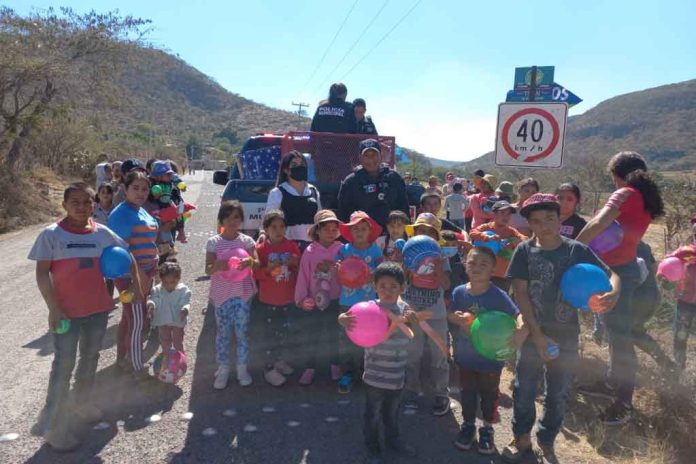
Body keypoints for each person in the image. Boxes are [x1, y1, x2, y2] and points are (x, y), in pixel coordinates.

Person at [503, 193, 620, 463]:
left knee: (557, 392)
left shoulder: (575, 249)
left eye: (550, 219)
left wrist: (613, 292)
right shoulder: (524, 251)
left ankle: (546, 439)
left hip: (567, 335)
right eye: (537, 221)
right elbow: (521, 294)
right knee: (524, 389)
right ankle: (521, 436)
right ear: (529, 224)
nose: (544, 226)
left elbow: (612, 273)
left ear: (560, 219)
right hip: (534, 333)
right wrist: (538, 335)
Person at [28, 182, 132, 451]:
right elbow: (42, 274)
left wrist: (133, 288)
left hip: (98, 310)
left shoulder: (103, 233)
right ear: (64, 205)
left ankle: (82, 403)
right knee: (63, 367)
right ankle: (53, 427)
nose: (82, 207)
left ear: (94, 205)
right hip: (66, 314)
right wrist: (53, 307)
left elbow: (123, 258)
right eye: (75, 202)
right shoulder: (51, 235)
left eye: (87, 202)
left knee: (90, 359)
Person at [576, 152, 664, 425]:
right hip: (621, 269)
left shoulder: (625, 193)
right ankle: (614, 385)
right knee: (617, 335)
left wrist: (572, 248)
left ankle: (624, 403)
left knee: (621, 338)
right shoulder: (644, 197)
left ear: (617, 174)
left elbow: (598, 223)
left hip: (619, 274)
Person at [449, 246, 527, 456]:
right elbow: (450, 315)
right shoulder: (459, 292)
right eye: (472, 262)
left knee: (489, 395)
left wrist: (520, 328)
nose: (477, 267)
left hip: (490, 359)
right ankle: (467, 426)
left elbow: (517, 313)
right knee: (467, 393)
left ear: (493, 270)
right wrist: (456, 317)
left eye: (484, 264)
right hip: (465, 356)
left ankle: (487, 429)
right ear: (465, 265)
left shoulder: (498, 295)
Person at [338, 262, 417, 463]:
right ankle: (373, 447)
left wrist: (413, 320)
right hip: (374, 375)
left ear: (402, 288)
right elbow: (347, 317)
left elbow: (412, 330)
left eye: (393, 287)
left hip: (397, 374)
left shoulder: (405, 308)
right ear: (375, 286)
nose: (388, 290)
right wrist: (342, 319)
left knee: (391, 413)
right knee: (372, 414)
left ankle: (393, 440)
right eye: (383, 286)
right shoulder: (369, 307)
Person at [107, 171, 159, 378]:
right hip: (131, 276)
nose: (140, 193)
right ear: (125, 189)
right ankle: (136, 367)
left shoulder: (141, 210)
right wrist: (141, 278)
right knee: (139, 321)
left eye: (144, 189)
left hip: (146, 271)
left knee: (129, 318)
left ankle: (123, 359)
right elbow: (122, 250)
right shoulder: (122, 213)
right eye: (135, 188)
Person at [401, 213, 452, 416]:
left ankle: (441, 394)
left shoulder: (442, 256)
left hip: (436, 314)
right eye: (420, 230)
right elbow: (401, 283)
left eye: (429, 232)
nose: (423, 234)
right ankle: (411, 392)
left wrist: (438, 269)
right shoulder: (408, 253)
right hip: (412, 314)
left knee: (439, 356)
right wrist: (404, 267)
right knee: (412, 355)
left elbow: (447, 285)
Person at [206, 200, 259, 389]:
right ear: (221, 219)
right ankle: (223, 368)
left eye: (236, 217)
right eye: (228, 217)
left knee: (242, 332)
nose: (232, 221)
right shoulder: (214, 242)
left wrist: (250, 262)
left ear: (242, 220)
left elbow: (257, 262)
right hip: (221, 296)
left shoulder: (246, 241)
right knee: (223, 333)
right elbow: (208, 269)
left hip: (243, 295)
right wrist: (217, 266)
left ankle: (242, 368)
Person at [335, 211, 384, 393]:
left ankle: (368, 373)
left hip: (370, 304)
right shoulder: (344, 249)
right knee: (347, 340)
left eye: (363, 229)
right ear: (350, 231)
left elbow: (381, 270)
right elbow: (336, 268)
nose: (359, 232)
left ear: (369, 231)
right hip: (348, 302)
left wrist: (373, 274)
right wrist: (338, 268)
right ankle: (347, 374)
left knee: (369, 340)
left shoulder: (375, 250)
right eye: (355, 229)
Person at [295, 210, 343, 385]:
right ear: (317, 231)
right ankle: (309, 367)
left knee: (333, 334)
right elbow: (303, 276)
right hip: (314, 300)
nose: (330, 232)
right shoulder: (309, 251)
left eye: (334, 229)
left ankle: (335, 365)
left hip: (336, 299)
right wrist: (301, 299)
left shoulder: (341, 249)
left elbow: (348, 274)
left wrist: (341, 271)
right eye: (326, 229)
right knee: (312, 335)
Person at [254, 210, 301, 386]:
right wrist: (267, 269)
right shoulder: (261, 249)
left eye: (282, 227)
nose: (278, 230)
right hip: (268, 300)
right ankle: (268, 367)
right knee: (269, 335)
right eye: (274, 227)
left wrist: (293, 262)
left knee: (284, 333)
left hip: (287, 298)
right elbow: (255, 273)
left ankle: (279, 361)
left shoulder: (291, 246)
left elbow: (299, 267)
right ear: (266, 229)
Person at [337, 139, 409, 228]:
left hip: (391, 234)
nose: (370, 159)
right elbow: (343, 213)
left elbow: (404, 208)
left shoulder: (394, 178)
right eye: (366, 156)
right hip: (362, 236)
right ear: (360, 158)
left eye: (374, 155)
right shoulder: (350, 182)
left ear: (380, 156)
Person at [263, 151, 321, 251]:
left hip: (312, 247)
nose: (299, 167)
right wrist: (263, 234)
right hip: (288, 247)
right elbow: (269, 220)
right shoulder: (277, 193)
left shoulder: (313, 191)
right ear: (286, 170)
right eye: (294, 165)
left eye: (302, 164)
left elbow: (320, 218)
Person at [660, 222, 696, 374]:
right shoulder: (687, 252)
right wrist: (665, 279)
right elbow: (665, 266)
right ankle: (679, 371)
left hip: (686, 301)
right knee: (680, 336)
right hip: (686, 302)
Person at [469, 201, 527, 291]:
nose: (506, 217)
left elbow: (525, 239)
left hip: (501, 274)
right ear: (494, 214)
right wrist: (486, 237)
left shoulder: (511, 231)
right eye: (502, 213)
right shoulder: (486, 227)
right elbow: (472, 233)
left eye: (508, 214)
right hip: (483, 272)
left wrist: (514, 242)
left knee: (499, 301)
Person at [147, 260, 191, 354]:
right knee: (164, 338)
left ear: (178, 279)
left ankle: (179, 355)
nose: (169, 285)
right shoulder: (157, 290)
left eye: (172, 282)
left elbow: (186, 301)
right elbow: (154, 299)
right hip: (163, 319)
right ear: (161, 279)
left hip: (177, 319)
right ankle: (167, 353)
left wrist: (185, 308)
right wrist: (151, 304)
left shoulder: (183, 290)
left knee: (177, 339)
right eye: (165, 282)